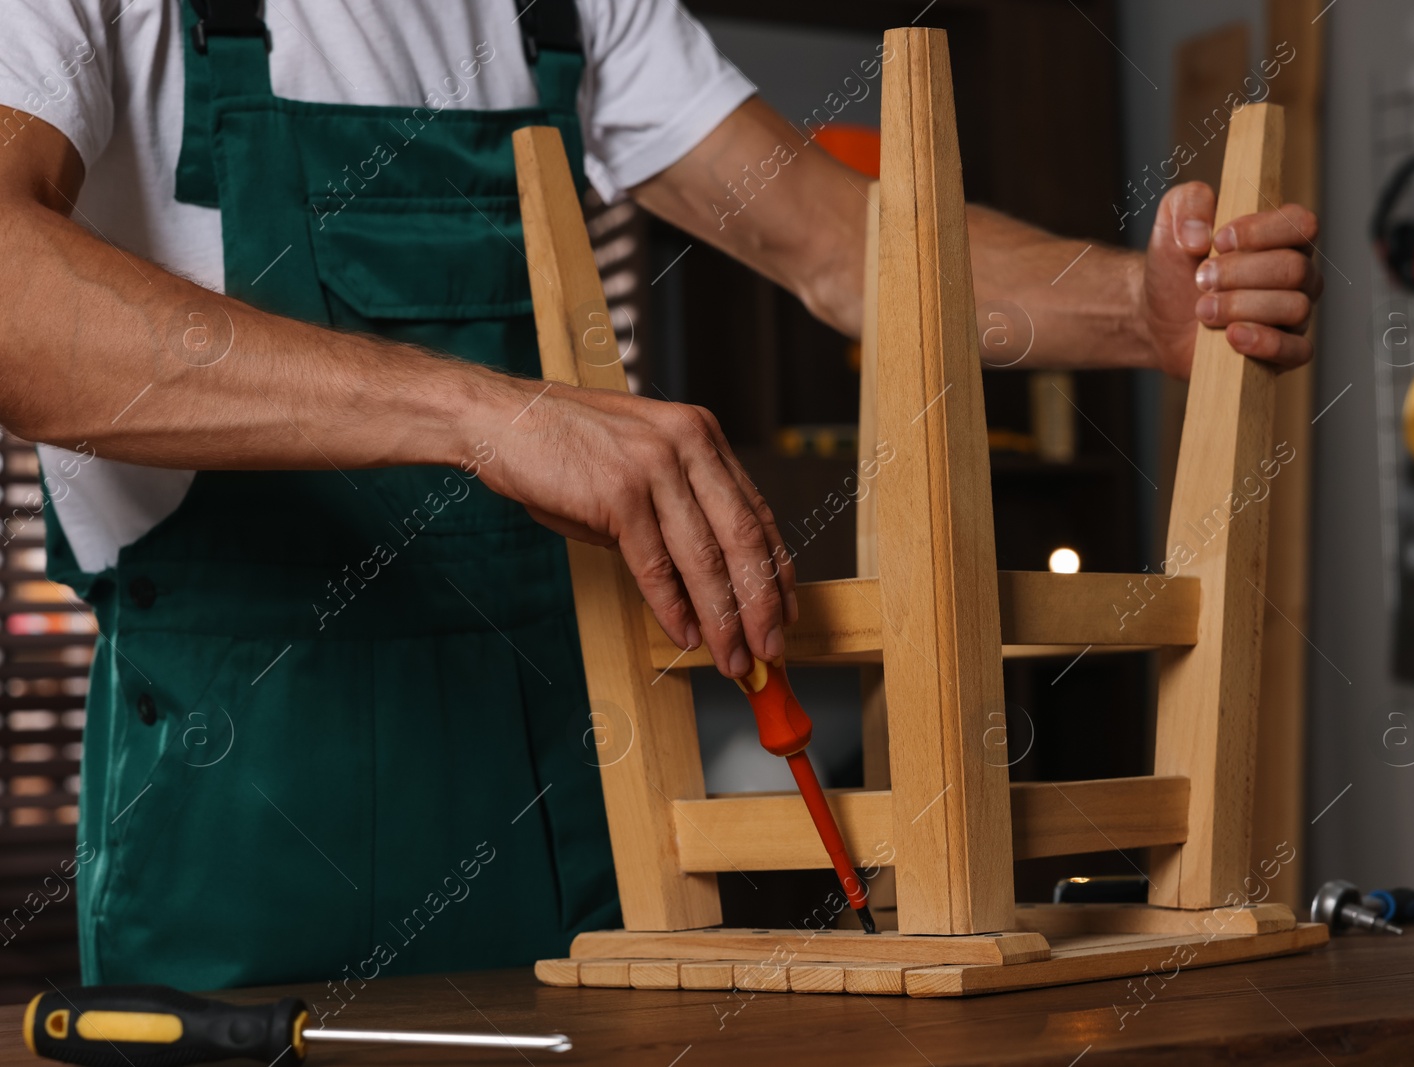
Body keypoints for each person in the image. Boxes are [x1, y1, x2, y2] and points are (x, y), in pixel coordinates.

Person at [0, 0, 1322, 990]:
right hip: (243, 826)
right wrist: (481, 411)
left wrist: (1137, 307)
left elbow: (847, 246)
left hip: (574, 810)